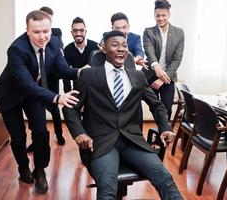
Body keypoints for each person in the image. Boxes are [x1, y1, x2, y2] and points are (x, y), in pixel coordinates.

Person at [63, 30, 183, 200]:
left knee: (165, 178)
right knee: (107, 189)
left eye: (124, 45)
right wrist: (80, 133)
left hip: (133, 142)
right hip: (102, 143)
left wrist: (165, 128)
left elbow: (157, 105)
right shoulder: (88, 76)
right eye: (115, 45)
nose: (121, 49)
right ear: (104, 48)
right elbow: (70, 108)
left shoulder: (138, 76)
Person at [0, 10, 80, 194]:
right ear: (27, 30)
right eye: (36, 32)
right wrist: (57, 97)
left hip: (33, 95)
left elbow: (62, 69)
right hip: (11, 95)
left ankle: (39, 170)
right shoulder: (17, 49)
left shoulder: (54, 42)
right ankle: (23, 167)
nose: (42, 37)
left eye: (45, 31)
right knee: (19, 137)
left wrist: (82, 72)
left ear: (50, 28)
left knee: (40, 132)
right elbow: (27, 84)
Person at [26, 7, 66, 154]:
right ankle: (36, 141)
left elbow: (57, 50)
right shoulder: (32, 36)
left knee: (54, 107)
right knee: (36, 111)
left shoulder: (56, 33)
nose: (42, 33)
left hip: (51, 76)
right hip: (36, 79)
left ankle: (59, 134)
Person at [143, 0, 185, 119]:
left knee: (167, 110)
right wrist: (157, 68)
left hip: (168, 77)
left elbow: (177, 58)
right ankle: (160, 133)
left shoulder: (179, 32)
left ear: (169, 14)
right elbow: (149, 52)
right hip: (151, 75)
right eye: (158, 15)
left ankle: (163, 136)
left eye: (163, 15)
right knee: (155, 109)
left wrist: (162, 78)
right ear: (154, 15)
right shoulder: (148, 32)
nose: (160, 18)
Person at [63, 17, 99, 91]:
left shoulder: (95, 47)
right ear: (71, 32)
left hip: (94, 89)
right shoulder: (67, 49)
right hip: (77, 88)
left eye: (81, 30)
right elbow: (65, 72)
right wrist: (68, 92)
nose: (78, 34)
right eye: (75, 31)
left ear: (85, 31)